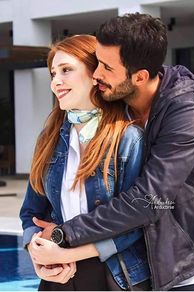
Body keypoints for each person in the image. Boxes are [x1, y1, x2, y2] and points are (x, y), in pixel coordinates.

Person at [31, 13, 194, 291]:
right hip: (144, 267)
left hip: (188, 271)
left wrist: (66, 235)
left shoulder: (186, 115)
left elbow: (149, 200)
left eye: (106, 67)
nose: (96, 73)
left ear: (139, 77)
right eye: (96, 61)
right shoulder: (114, 106)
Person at [19, 34, 151, 291]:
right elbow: (31, 213)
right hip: (58, 275)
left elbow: (137, 222)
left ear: (96, 74)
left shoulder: (128, 138)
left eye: (66, 70)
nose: (56, 82)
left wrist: (67, 254)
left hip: (115, 274)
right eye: (53, 73)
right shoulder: (49, 139)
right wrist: (37, 255)